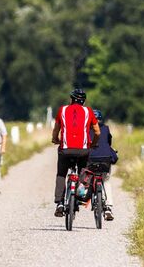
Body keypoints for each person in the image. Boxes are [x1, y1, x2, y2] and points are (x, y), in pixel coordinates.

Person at [51, 89, 99, 217]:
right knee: (83, 172)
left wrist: (55, 139)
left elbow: (56, 129)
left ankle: (60, 203)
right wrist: (93, 144)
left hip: (65, 150)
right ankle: (80, 195)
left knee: (61, 174)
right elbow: (97, 131)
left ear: (71, 99)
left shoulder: (63, 109)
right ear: (83, 101)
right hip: (83, 150)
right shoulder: (88, 111)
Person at [89, 109, 117, 221]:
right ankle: (108, 208)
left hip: (90, 159)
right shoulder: (106, 128)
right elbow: (109, 142)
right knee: (106, 181)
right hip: (105, 160)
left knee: (89, 177)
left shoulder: (86, 129)